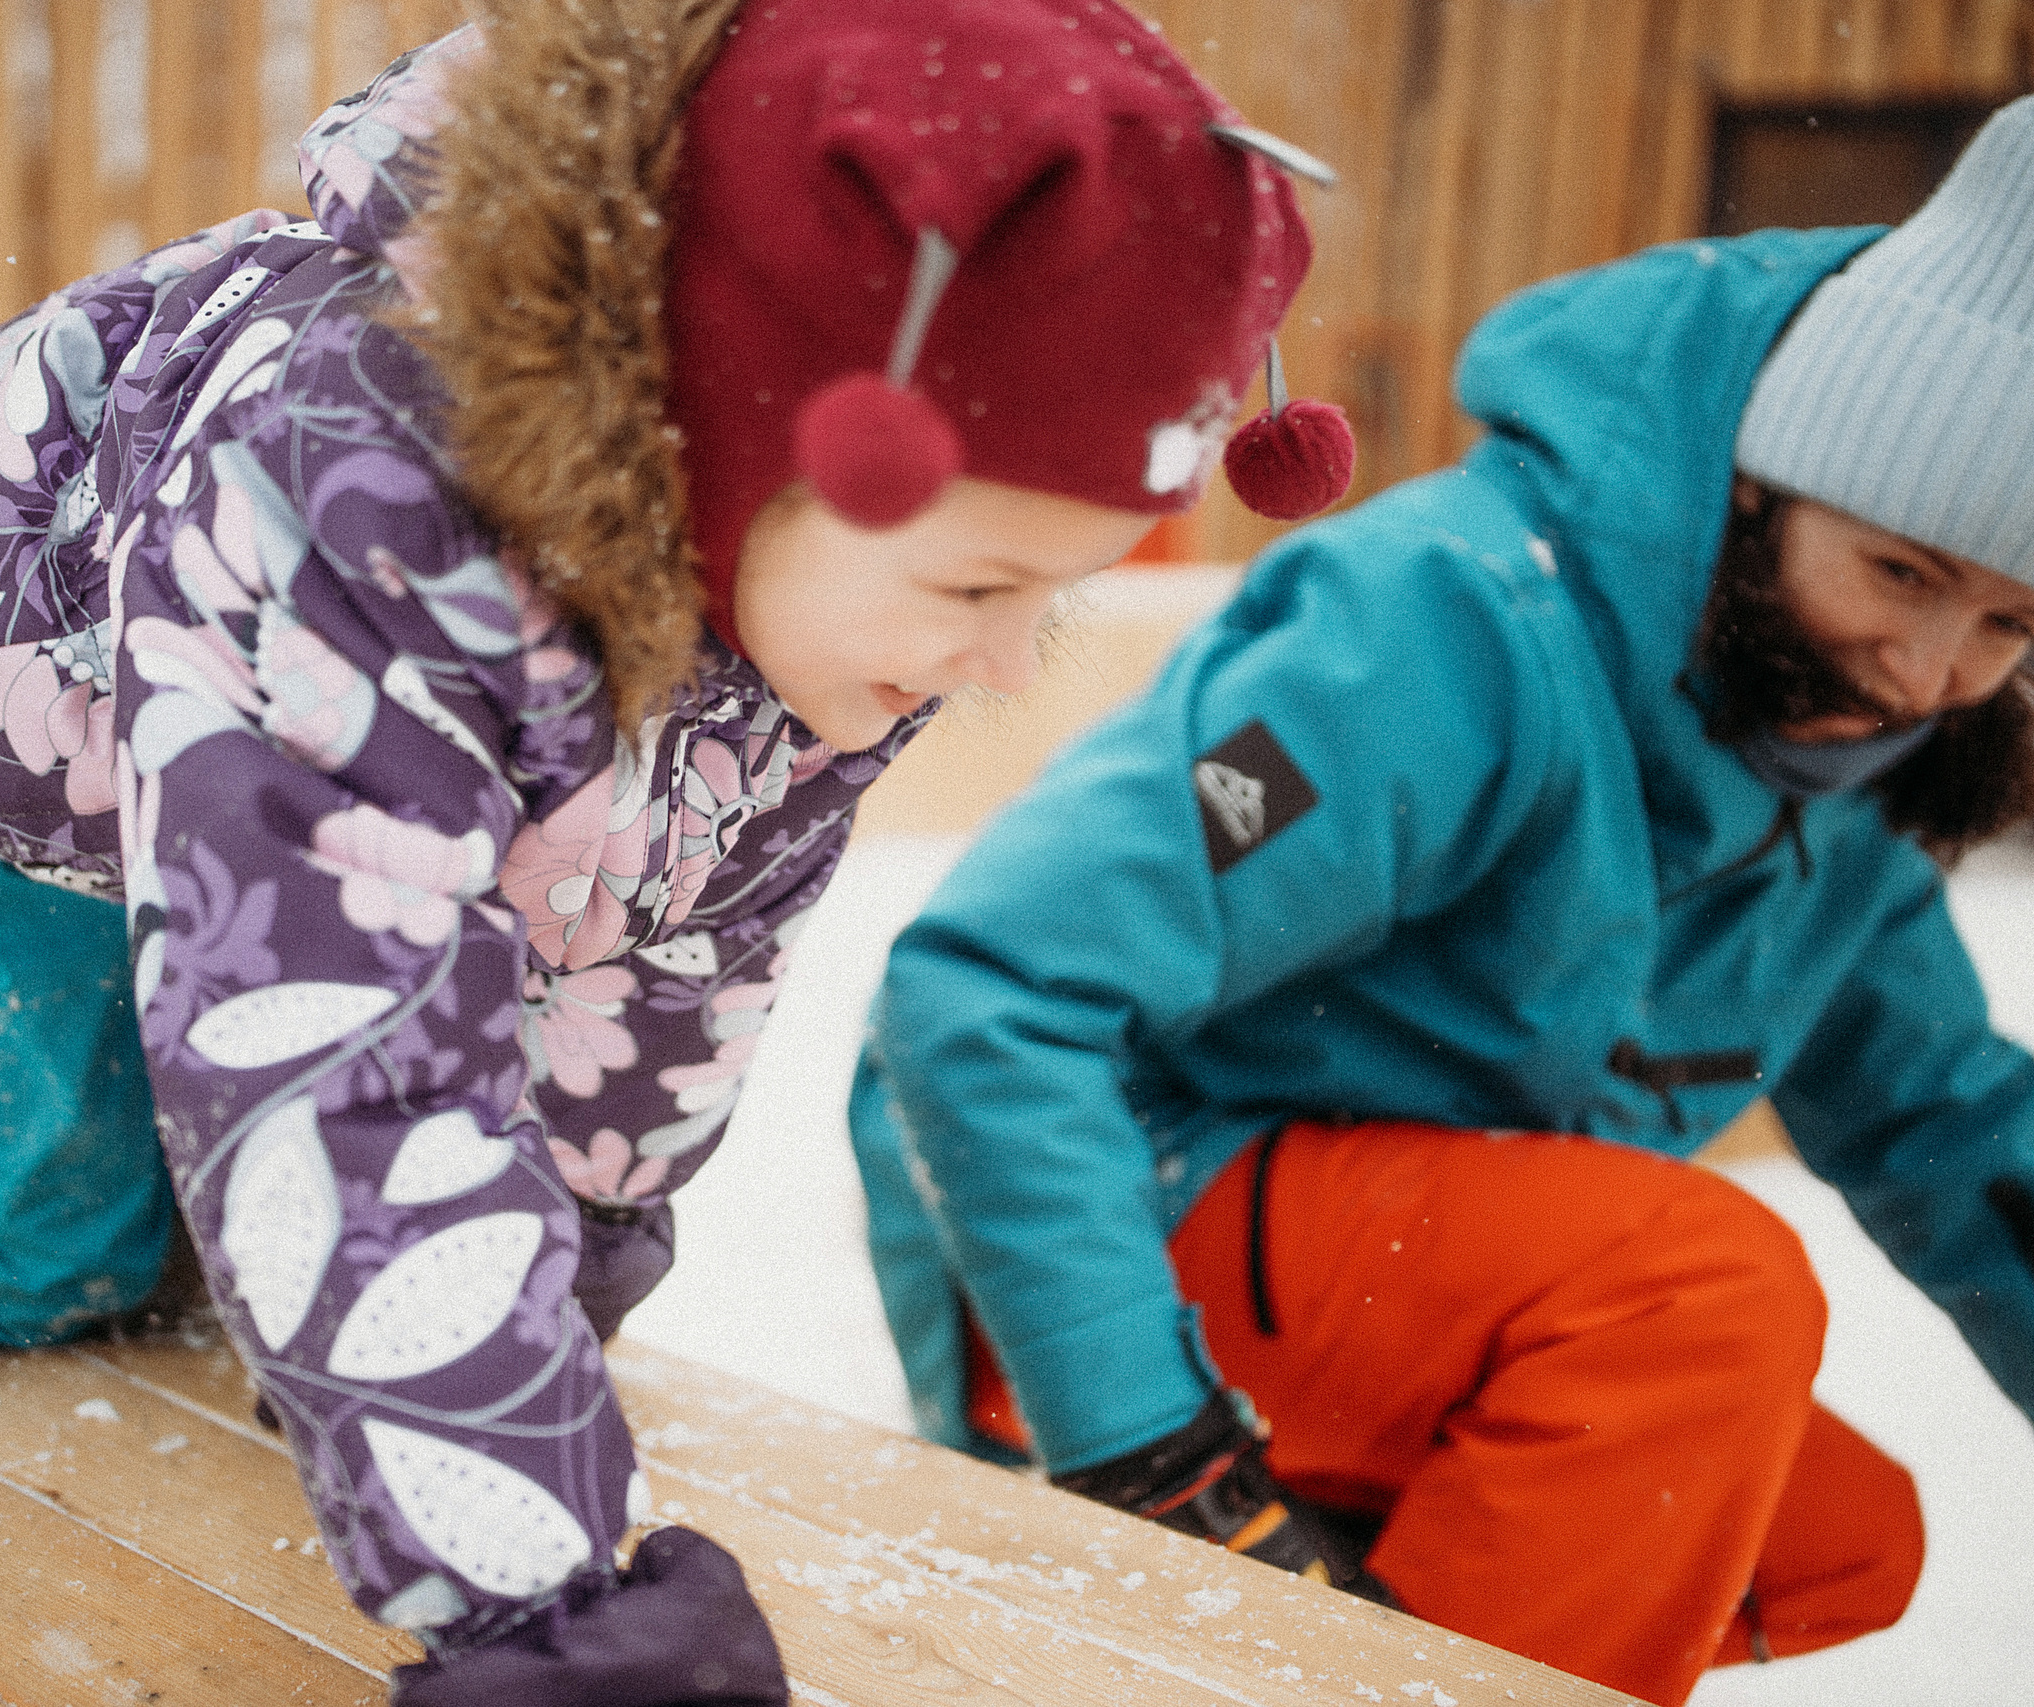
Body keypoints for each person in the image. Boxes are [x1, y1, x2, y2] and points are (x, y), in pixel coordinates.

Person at [0, 2, 1348, 1699]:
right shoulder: (359, 501)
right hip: (1, 682)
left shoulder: (845, 615)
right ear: (748, 427)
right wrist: (544, 1624)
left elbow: (681, 955)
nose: (1009, 664)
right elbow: (336, 1060)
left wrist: (551, 1278)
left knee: (322, 1246)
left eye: (1052, 595)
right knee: (40, 1244)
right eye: (978, 590)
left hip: (351, 770)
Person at [851, 95, 2034, 1706]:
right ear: (1756, 491)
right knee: (1705, 1295)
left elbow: (1951, 1132)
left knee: (1837, 1539)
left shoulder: (1847, 768)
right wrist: (1152, 1454)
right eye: (1899, 574)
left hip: (1413, 1294)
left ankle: (1355, 1639)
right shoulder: (1439, 630)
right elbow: (987, 989)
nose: (1928, 671)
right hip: (1094, 1232)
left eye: (2008, 625)